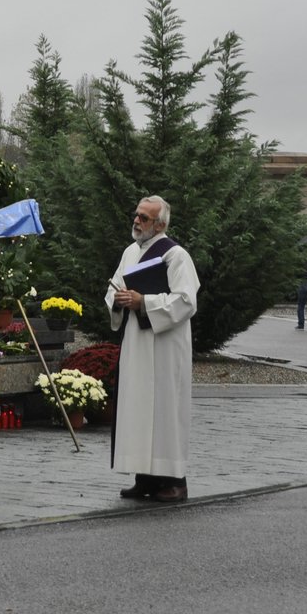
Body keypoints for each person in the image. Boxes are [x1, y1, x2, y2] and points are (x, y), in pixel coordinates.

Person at [106, 195, 200, 503]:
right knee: (137, 407)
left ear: (160, 224)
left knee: (164, 408)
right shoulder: (130, 252)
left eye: (144, 218)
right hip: (137, 339)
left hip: (165, 343)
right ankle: (143, 477)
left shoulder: (175, 256)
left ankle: (174, 480)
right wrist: (119, 300)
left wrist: (144, 301)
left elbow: (186, 300)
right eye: (136, 215)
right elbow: (115, 287)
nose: (136, 221)